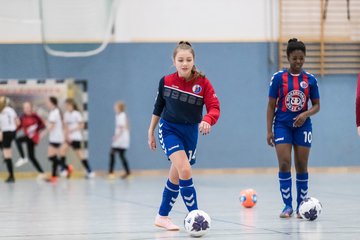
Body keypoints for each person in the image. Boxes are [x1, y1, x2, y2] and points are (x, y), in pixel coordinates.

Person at [147, 41, 220, 230]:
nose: (184, 63)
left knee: (176, 176)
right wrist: (151, 131)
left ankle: (162, 216)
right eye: (180, 60)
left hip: (190, 133)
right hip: (169, 129)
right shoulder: (166, 81)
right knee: (185, 170)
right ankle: (195, 216)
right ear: (174, 61)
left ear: (194, 61)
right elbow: (158, 108)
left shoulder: (203, 83)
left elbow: (214, 107)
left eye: (188, 59)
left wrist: (207, 119)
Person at [266, 38, 320, 218]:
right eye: (295, 58)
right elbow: (270, 105)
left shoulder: (310, 80)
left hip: (303, 127)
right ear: (288, 57)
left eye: (301, 59)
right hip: (282, 125)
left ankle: (301, 207)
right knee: (284, 163)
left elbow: (317, 106)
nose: (298, 62)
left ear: (304, 58)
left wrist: (305, 114)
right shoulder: (278, 78)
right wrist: (269, 130)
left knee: (302, 165)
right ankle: (287, 206)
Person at [60, 98, 94, 179]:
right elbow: (65, 126)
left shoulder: (77, 114)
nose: (66, 107)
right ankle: (63, 169)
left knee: (79, 154)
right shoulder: (66, 114)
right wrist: (66, 135)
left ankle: (89, 171)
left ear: (71, 105)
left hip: (76, 137)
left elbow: (82, 125)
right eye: (65, 106)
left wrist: (72, 130)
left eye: (67, 105)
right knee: (62, 150)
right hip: (68, 137)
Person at [14, 102, 46, 179]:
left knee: (18, 140)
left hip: (33, 137)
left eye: (28, 107)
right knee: (31, 157)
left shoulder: (35, 116)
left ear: (31, 108)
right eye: (25, 108)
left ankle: (22, 157)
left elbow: (42, 125)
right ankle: (42, 172)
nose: (26, 109)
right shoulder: (22, 117)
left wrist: (38, 132)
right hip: (28, 137)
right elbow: (18, 127)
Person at [44, 96, 64, 183]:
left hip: (55, 138)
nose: (46, 103)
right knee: (54, 157)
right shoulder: (55, 112)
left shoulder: (54, 112)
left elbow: (52, 126)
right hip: (57, 137)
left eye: (48, 102)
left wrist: (43, 133)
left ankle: (66, 167)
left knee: (51, 156)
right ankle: (54, 176)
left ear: (52, 102)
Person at [108, 101, 131, 179]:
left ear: (119, 108)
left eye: (116, 107)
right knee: (121, 155)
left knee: (112, 153)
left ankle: (111, 173)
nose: (114, 108)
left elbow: (121, 128)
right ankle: (128, 173)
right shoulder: (120, 116)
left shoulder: (121, 115)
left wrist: (116, 137)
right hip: (123, 138)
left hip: (121, 139)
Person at [0, 96, 20, 183]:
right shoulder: (11, 110)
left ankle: (11, 176)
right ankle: (11, 175)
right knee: (7, 152)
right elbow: (18, 122)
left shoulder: (1, 111)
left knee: (7, 155)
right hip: (12, 132)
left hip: (5, 132)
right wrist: (14, 129)